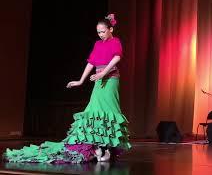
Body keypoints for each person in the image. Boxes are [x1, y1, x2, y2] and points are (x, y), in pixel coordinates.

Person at [3, 14, 131, 163]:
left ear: (111, 29)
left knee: (109, 111)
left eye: (103, 31)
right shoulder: (98, 44)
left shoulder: (116, 41)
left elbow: (117, 58)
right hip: (98, 79)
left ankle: (107, 147)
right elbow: (91, 63)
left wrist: (104, 72)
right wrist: (80, 80)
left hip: (110, 79)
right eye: (98, 32)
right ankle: (98, 145)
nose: (101, 34)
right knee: (94, 111)